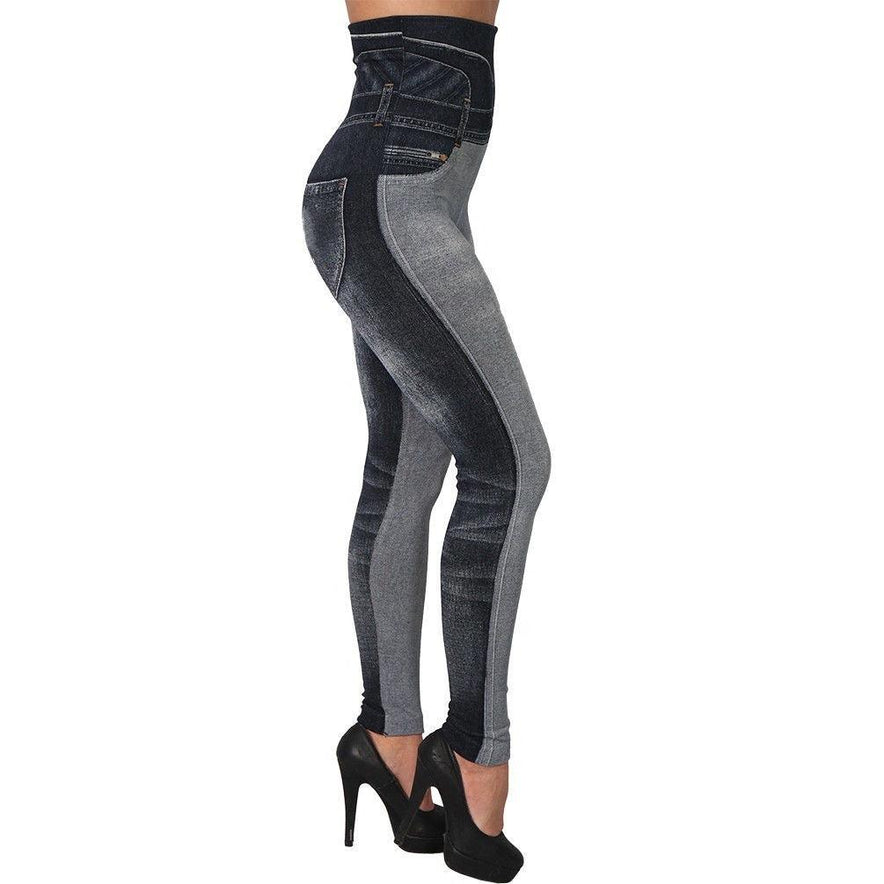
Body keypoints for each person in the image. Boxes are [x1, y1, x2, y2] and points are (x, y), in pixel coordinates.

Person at [302, 2, 549, 879]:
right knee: (510, 467)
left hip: (408, 183)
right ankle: (475, 749)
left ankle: (388, 735)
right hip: (392, 189)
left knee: (407, 468)